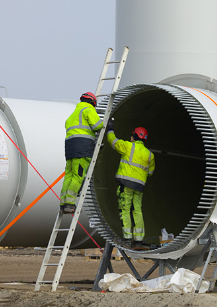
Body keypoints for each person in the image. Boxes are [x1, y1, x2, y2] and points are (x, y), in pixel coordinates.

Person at [106, 119, 155, 248]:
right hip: (139, 187)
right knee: (137, 211)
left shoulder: (128, 146)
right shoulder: (150, 155)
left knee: (125, 210)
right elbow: (150, 172)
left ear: (134, 136)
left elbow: (113, 142)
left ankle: (127, 239)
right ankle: (138, 240)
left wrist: (110, 129)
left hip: (126, 184)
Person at [60, 92, 103, 214]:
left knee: (69, 176)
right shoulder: (88, 110)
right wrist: (107, 123)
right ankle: (70, 203)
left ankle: (63, 203)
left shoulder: (72, 116)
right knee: (78, 177)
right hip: (82, 149)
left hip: (70, 150)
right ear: (92, 103)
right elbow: (98, 126)